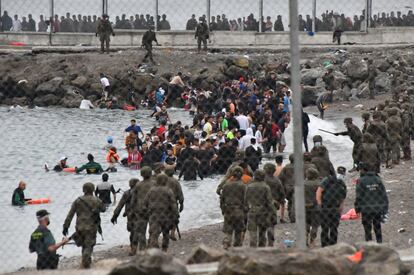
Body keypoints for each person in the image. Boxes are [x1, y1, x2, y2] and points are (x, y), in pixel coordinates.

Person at [63, 182, 106, 268]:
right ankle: (86, 261)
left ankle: (85, 261)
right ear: (93, 189)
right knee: (89, 245)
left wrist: (66, 226)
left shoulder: (78, 200)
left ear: (83, 190)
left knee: (84, 245)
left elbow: (70, 214)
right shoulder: (96, 200)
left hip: (79, 227)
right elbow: (103, 209)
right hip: (91, 227)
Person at [355, 163, 389, 243]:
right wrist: (385, 208)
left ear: (363, 170)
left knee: (367, 229)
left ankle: (369, 244)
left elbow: (359, 196)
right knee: (377, 226)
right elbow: (383, 194)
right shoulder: (377, 179)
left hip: (366, 209)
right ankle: (379, 243)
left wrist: (357, 208)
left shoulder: (360, 181)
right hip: (377, 208)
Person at [144, 174, 177, 252]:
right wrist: (175, 214)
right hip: (166, 214)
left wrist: (147, 210)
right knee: (166, 233)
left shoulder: (152, 190)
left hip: (154, 214)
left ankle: (155, 247)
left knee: (154, 233)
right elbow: (173, 203)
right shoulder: (168, 190)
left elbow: (145, 202)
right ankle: (164, 249)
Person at [316, 166, 347, 247]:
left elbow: (343, 195)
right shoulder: (327, 180)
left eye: (342, 173)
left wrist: (341, 206)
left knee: (334, 228)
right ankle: (324, 245)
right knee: (325, 228)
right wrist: (319, 203)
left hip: (335, 207)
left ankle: (333, 245)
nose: (340, 175)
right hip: (325, 206)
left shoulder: (341, 182)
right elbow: (319, 191)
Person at [245, 170, 277, 247]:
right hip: (263, 212)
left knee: (253, 232)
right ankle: (261, 247)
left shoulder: (249, 187)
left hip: (252, 210)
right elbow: (269, 202)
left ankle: (253, 248)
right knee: (262, 232)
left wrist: (247, 210)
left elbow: (245, 200)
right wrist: (273, 213)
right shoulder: (266, 187)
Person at [220, 166, 247, 249]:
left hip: (228, 210)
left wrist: (223, 210)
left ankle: (226, 243)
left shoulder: (226, 185)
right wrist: (246, 211)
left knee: (228, 230)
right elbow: (246, 200)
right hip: (239, 211)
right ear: (241, 174)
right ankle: (237, 247)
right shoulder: (243, 186)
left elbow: (222, 199)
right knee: (238, 231)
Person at [111, 178, 139, 255]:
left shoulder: (127, 193)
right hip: (140, 214)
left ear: (130, 184)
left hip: (130, 215)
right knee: (138, 231)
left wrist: (115, 216)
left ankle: (133, 247)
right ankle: (136, 246)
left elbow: (120, 205)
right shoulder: (142, 193)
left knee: (132, 231)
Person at [130, 167, 154, 253]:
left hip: (140, 210)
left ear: (141, 174)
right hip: (152, 210)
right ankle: (151, 246)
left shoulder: (138, 185)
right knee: (153, 230)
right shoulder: (154, 184)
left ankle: (143, 248)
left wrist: (132, 209)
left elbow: (133, 198)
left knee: (141, 231)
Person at [263, 163, 285, 246]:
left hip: (262, 204)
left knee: (262, 225)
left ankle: (262, 241)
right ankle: (271, 242)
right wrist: (281, 201)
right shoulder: (277, 181)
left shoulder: (261, 180)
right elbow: (282, 193)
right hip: (273, 204)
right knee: (271, 224)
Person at [165, 168, 184, 241]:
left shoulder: (162, 180)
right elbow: (180, 193)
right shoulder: (175, 181)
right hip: (173, 202)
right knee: (175, 218)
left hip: (163, 202)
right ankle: (172, 232)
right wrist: (181, 203)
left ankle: (165, 233)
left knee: (164, 218)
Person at [304, 168, 320, 247]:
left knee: (306, 223)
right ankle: (312, 240)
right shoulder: (319, 184)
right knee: (315, 225)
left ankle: (305, 239)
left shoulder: (303, 184)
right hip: (316, 207)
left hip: (305, 207)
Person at [278, 154, 296, 223]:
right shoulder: (300, 167)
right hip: (298, 187)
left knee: (290, 201)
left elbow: (280, 178)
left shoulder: (286, 167)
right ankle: (293, 216)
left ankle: (290, 214)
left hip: (288, 187)